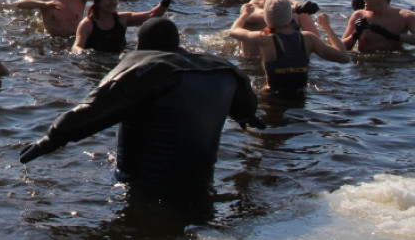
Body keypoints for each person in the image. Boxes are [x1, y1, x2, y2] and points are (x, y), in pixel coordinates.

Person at [21, 18, 263, 200]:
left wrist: (51, 139)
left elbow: (94, 110)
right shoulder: (223, 70)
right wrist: (247, 116)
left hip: (146, 187)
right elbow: (246, 105)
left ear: (142, 45)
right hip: (201, 183)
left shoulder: (149, 69)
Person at [229, 0, 349, 96]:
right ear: (290, 17)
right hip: (300, 97)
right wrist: (327, 27)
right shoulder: (308, 38)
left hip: (272, 97)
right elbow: (344, 57)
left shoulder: (264, 39)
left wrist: (244, 15)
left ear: (266, 18)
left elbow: (233, 31)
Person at [234, 0, 319, 57]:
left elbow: (316, 40)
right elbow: (266, 13)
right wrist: (296, 9)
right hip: (252, 63)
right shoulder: (250, 7)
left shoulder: (297, 7)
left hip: (285, 63)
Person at [73, 0, 170, 54]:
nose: (113, 2)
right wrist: (81, 52)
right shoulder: (87, 24)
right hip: (95, 65)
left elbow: (151, 15)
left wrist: (166, 1)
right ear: (97, 1)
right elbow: (76, 46)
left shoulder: (123, 19)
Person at [342, 0, 415, 51]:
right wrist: (355, 34)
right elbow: (341, 47)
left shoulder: (405, 16)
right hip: (365, 61)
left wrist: (391, 35)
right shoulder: (358, 15)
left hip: (395, 61)